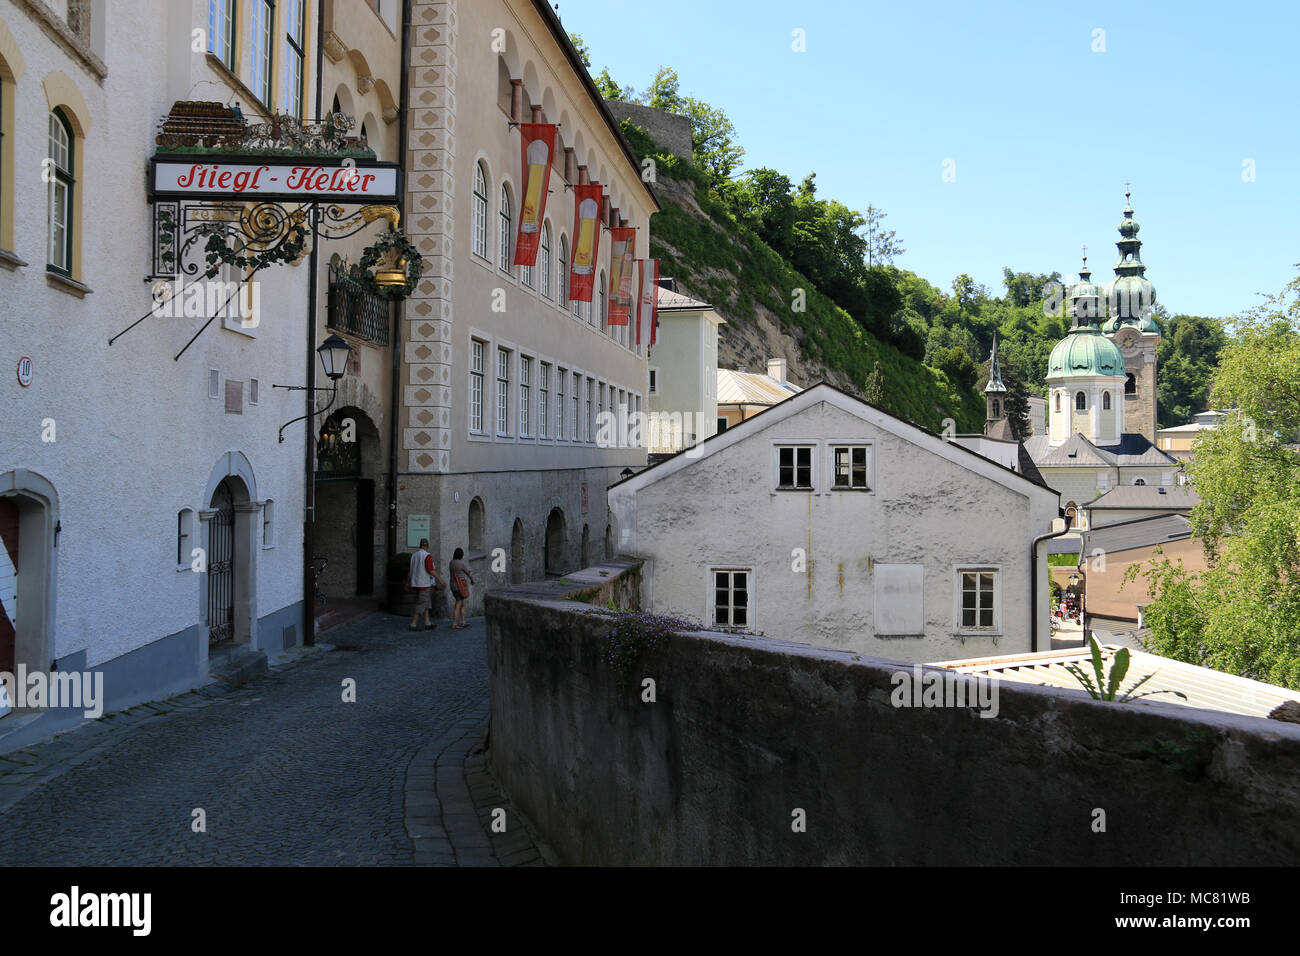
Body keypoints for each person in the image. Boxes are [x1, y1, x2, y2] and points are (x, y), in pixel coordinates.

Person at [408, 538, 447, 631]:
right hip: (424, 583)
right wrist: (440, 579)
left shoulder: (414, 555)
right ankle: (413, 624)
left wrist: (407, 582)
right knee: (422, 604)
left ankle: (427, 623)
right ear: (427, 546)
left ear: (420, 545)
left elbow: (409, 571)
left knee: (426, 603)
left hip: (416, 583)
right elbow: (430, 569)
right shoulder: (427, 555)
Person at [449, 547, 475, 629]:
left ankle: (464, 622)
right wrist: (472, 580)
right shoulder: (461, 563)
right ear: (461, 555)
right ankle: (455, 624)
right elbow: (468, 573)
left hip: (452, 585)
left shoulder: (451, 562)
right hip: (460, 586)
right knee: (458, 603)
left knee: (462, 604)